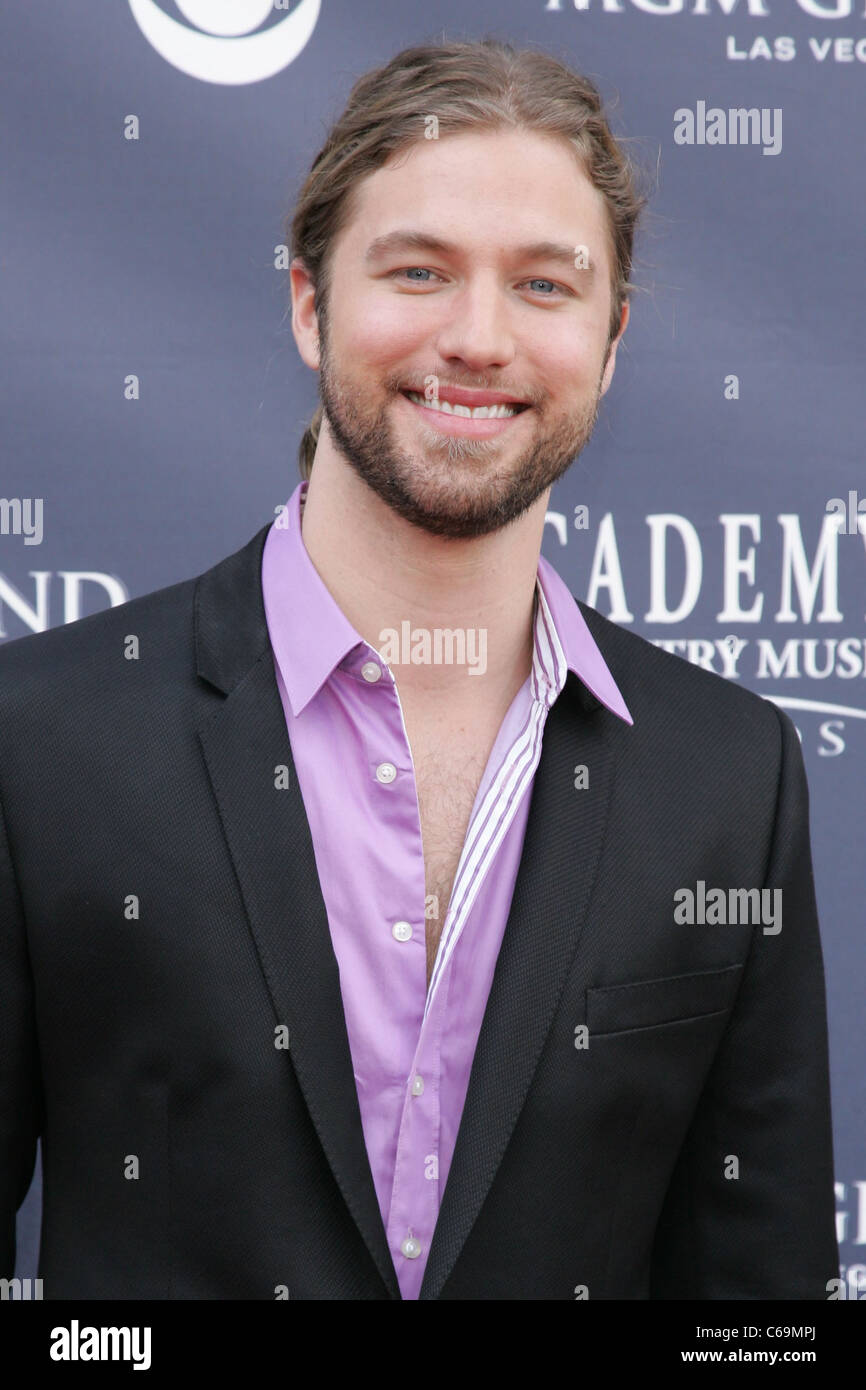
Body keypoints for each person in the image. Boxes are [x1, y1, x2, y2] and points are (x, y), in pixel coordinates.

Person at [0, 37, 837, 1300]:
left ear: (609, 343)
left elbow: (756, 1303)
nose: (478, 337)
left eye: (544, 287)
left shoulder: (729, 772)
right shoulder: (45, 735)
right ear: (306, 302)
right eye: (418, 271)